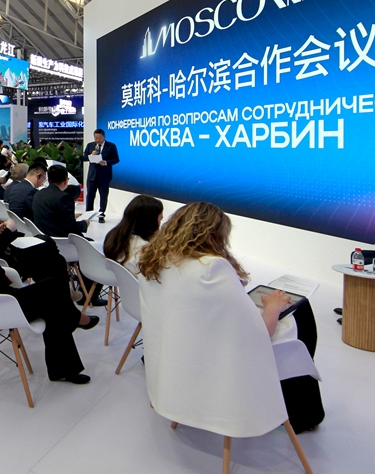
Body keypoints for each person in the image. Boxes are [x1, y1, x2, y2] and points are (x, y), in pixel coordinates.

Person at [136, 202, 323, 433]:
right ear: (215, 235)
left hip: (178, 361)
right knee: (301, 313)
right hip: (222, 360)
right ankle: (304, 414)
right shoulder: (212, 267)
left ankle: (306, 412)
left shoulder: (151, 262)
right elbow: (260, 335)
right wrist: (273, 307)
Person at [0, 190, 95, 383]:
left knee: (53, 302)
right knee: (53, 289)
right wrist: (2, 241)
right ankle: (74, 323)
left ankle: (65, 357)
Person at [103, 194, 164, 275]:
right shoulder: (143, 250)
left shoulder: (114, 237)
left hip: (120, 282)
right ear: (150, 221)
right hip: (139, 286)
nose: (160, 223)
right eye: (160, 219)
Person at [33, 164, 88, 237]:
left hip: (42, 236)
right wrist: (84, 224)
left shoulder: (38, 194)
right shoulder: (65, 197)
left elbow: (51, 215)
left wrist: (71, 216)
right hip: (61, 239)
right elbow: (71, 227)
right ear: (65, 181)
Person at [84, 129, 120, 223]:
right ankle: (88, 214)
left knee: (103, 196)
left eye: (99, 138)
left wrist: (106, 162)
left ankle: (101, 214)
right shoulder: (90, 145)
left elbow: (116, 159)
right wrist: (90, 155)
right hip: (92, 175)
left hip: (104, 176)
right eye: (96, 138)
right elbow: (83, 158)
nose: (98, 140)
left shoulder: (111, 146)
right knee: (90, 196)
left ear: (104, 137)